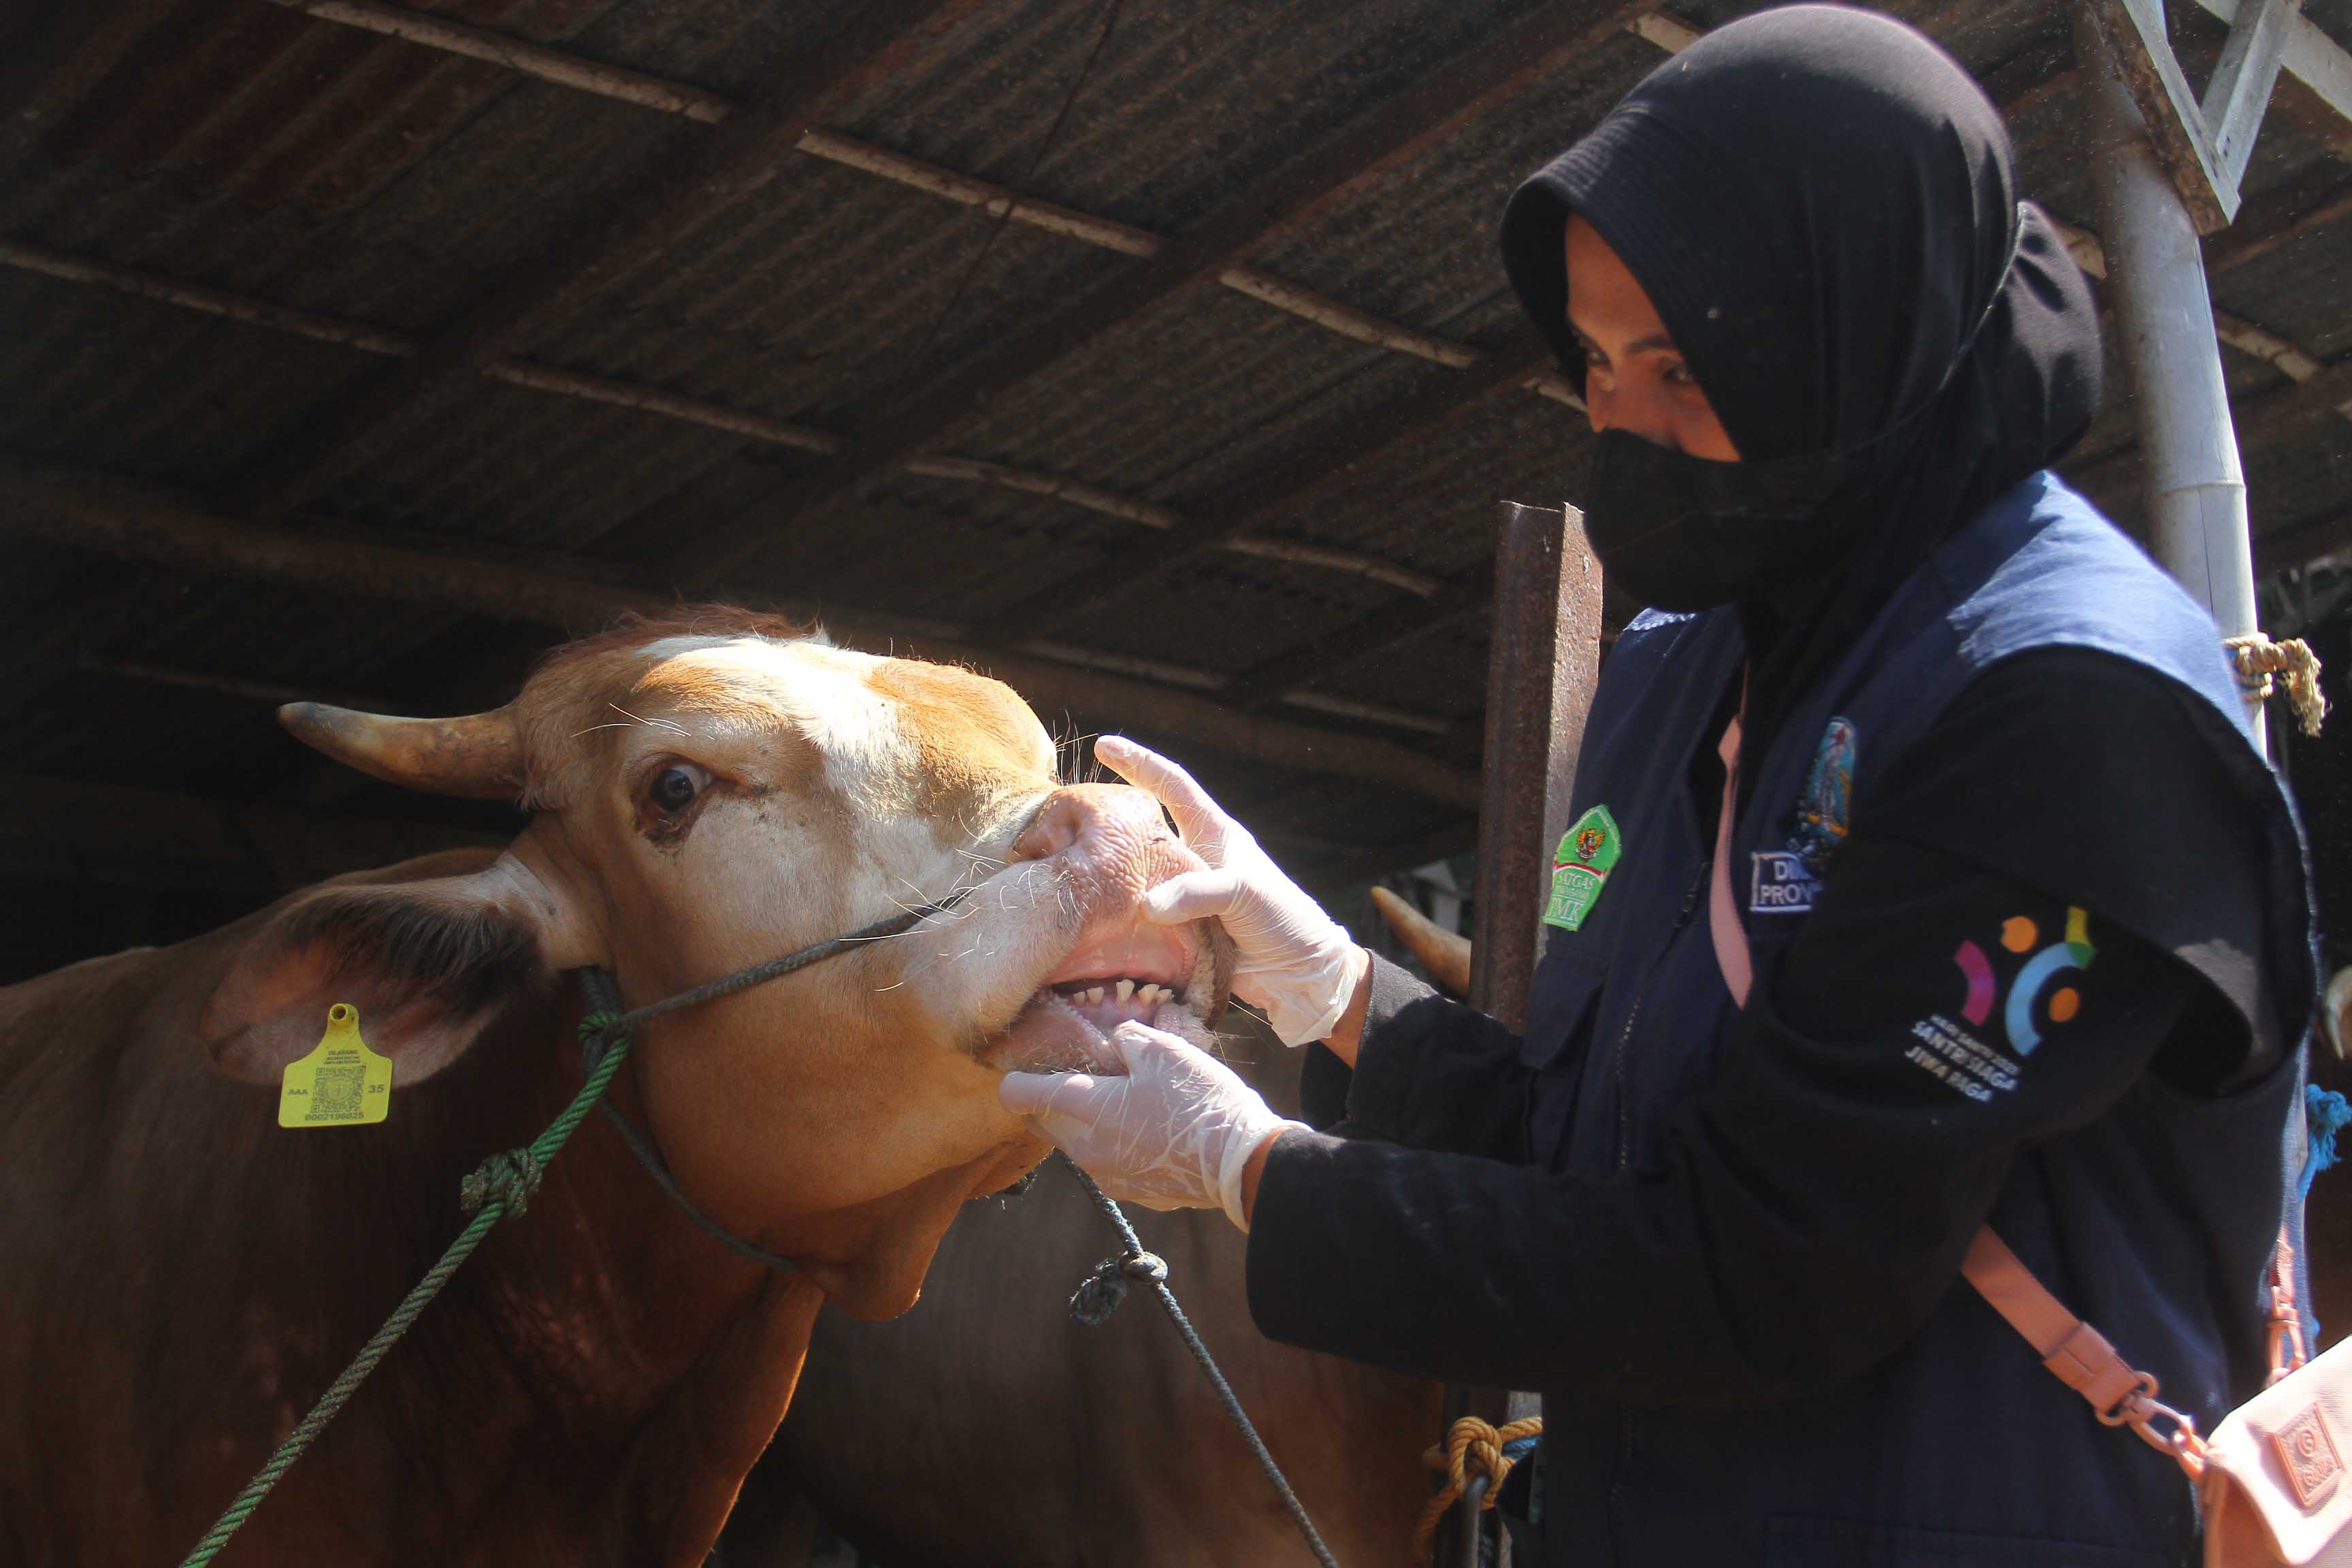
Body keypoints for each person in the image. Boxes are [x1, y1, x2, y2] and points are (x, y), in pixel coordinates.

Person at [999, 7, 2319, 1562]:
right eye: (1596, 358)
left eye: (1683, 362)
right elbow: (1608, 1146)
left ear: (1845, 335)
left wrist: (1254, 1171)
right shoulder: (1703, 655)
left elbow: (1759, 1270)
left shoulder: (2063, 711)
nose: (1621, 419)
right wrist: (1340, 994)